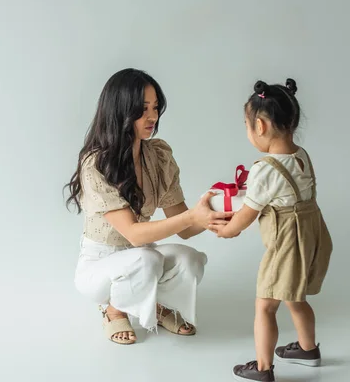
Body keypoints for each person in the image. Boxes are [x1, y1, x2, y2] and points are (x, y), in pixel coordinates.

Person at [64, 68, 233, 345]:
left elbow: (185, 227)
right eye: (142, 109)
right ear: (120, 111)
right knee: (147, 259)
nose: (152, 116)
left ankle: (152, 303)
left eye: (155, 108)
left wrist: (223, 212)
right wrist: (193, 216)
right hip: (100, 265)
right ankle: (113, 309)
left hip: (142, 256)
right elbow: (134, 234)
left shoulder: (157, 155)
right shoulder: (95, 163)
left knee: (189, 260)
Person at [208, 79, 333, 382]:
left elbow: (247, 215)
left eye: (247, 125)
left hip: (287, 244)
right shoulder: (300, 155)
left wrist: (227, 231)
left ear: (260, 126)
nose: (248, 131)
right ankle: (307, 349)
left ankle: (263, 368)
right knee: (295, 296)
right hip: (311, 236)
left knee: (264, 305)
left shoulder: (265, 169)